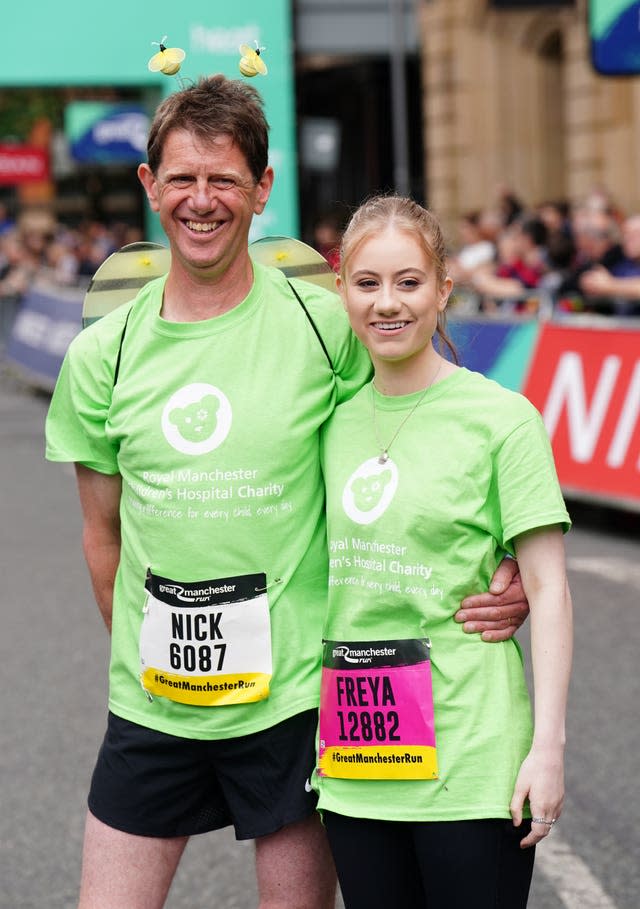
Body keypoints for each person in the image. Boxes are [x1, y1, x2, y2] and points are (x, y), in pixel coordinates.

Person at [45, 77, 530, 909]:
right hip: (155, 705)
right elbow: (102, 535)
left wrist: (509, 550)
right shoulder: (103, 356)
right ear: (150, 185)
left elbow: (425, 420)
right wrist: (151, 658)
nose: (203, 201)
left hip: (300, 701)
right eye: (184, 179)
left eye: (225, 179)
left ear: (263, 188)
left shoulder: (326, 323)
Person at [315, 196, 573, 908]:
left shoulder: (501, 418)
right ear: (342, 291)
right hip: (355, 764)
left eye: (409, 281)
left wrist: (546, 747)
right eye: (367, 283)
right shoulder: (323, 422)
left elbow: (549, 589)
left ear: (443, 290)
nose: (387, 303)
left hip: (472, 759)